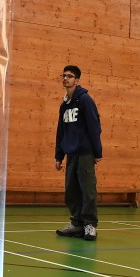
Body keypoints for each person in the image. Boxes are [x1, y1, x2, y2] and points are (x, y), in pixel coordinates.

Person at [54, 65, 102, 241]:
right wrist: (59, 156)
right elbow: (61, 131)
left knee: (87, 190)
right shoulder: (64, 105)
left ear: (77, 80)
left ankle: (90, 225)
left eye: (70, 76)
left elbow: (94, 127)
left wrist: (97, 152)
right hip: (71, 154)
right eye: (64, 75)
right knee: (71, 191)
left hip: (85, 153)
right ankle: (76, 224)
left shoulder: (85, 100)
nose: (65, 78)